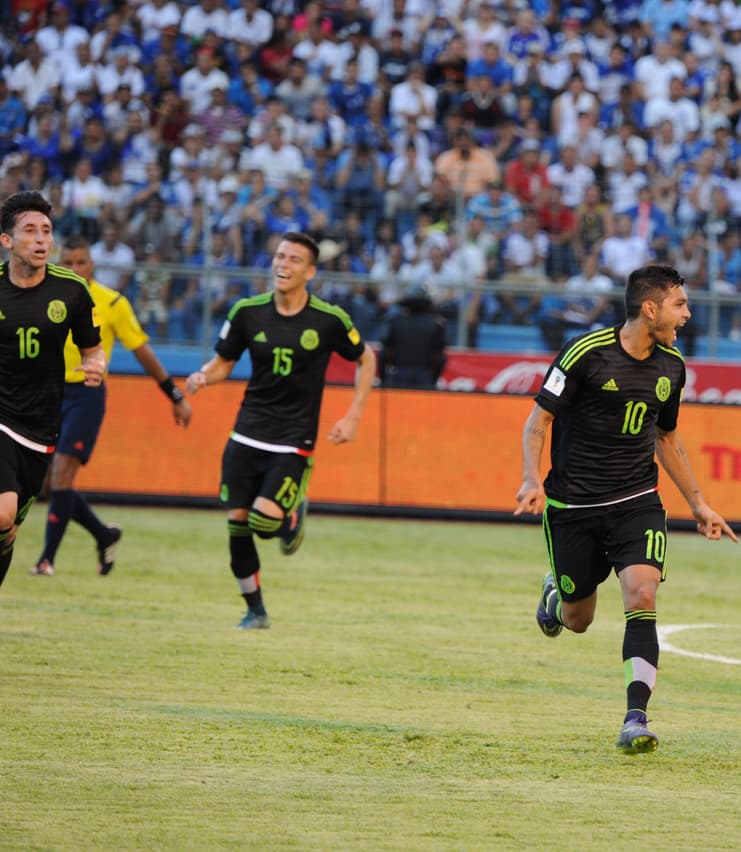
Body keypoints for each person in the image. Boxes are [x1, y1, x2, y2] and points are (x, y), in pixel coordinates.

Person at [514, 264, 738, 754]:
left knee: (642, 594)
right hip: (572, 507)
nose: (687, 313)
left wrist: (699, 505)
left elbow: (667, 436)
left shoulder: (672, 366)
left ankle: (636, 718)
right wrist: (532, 479)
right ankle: (558, 592)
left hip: (637, 502)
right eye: (680, 304)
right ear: (650, 307)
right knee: (578, 620)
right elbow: (538, 420)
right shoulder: (585, 354)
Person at [185, 232, 376, 629]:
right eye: (279, 257)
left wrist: (353, 416)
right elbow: (223, 363)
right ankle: (255, 610)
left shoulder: (328, 319)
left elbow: (366, 358)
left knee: (263, 523)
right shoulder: (247, 311)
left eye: (293, 260)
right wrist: (204, 376)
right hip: (247, 432)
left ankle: (290, 515)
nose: (282, 265)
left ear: (311, 271)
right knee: (237, 523)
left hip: (293, 440)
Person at [32, 236, 193, 578]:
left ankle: (46, 560)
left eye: (82, 262)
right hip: (47, 394)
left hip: (86, 395)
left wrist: (174, 395)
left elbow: (142, 351)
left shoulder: (111, 303)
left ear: (92, 264)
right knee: (46, 482)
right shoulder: (44, 295)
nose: (76, 268)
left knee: (62, 471)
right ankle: (104, 535)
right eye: (69, 263)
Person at [0, 191, 104, 592]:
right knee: (2, 513)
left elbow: (93, 352)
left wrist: (96, 368)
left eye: (46, 230)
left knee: (8, 531)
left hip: (41, 426)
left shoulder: (72, 291)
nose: (42, 239)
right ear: (7, 241)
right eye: (30, 230)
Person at [380, 286, 448, 389]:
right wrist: (433, 381)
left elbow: (385, 353)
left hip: (399, 375)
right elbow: (440, 357)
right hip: (425, 376)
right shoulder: (435, 325)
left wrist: (384, 381)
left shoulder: (396, 322)